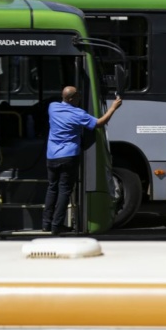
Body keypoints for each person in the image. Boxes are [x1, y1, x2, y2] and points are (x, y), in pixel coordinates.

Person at [42, 86, 122, 235]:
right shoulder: (78, 114)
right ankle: (56, 225)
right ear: (71, 99)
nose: (80, 98)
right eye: (78, 96)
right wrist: (113, 108)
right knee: (64, 190)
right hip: (68, 156)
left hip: (51, 156)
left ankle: (46, 223)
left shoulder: (53, 107)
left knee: (52, 188)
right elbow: (99, 123)